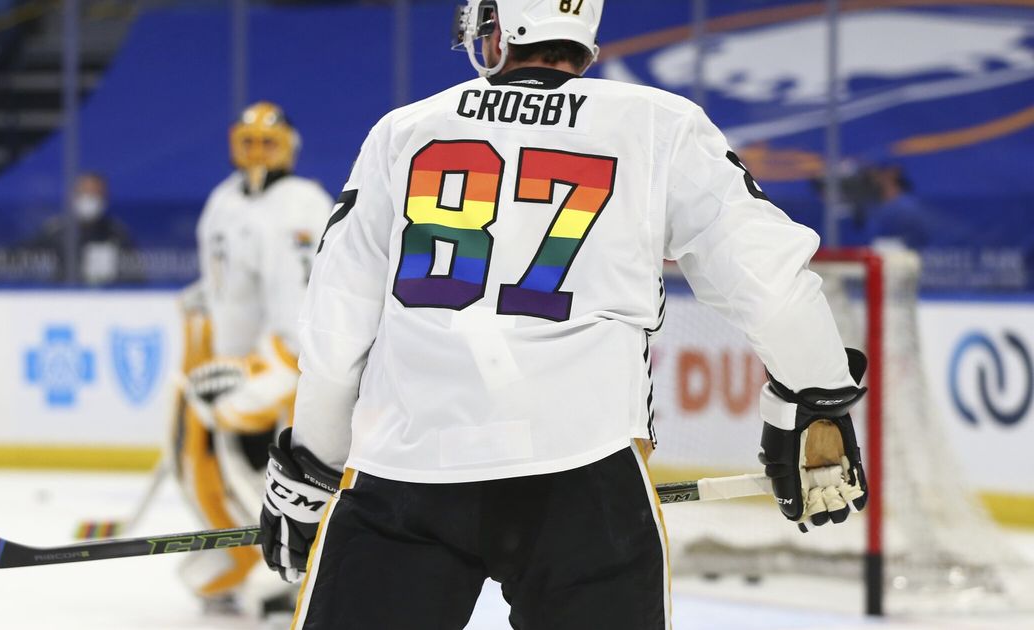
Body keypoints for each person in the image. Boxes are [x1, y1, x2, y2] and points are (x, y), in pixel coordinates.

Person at [259, 1, 869, 628]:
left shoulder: (405, 130)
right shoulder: (656, 123)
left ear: (504, 25)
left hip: (405, 475)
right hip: (584, 478)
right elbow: (770, 281)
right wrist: (813, 397)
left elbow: (336, 329)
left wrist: (312, 468)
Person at [172, 101, 332, 617]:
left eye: (269, 142)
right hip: (232, 363)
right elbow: (225, 288)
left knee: (276, 464)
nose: (258, 153)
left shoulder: (303, 203)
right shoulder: (223, 201)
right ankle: (237, 562)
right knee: (198, 460)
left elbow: (301, 312)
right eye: (249, 141)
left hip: (287, 365)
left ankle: (293, 571)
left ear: (290, 147)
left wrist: (261, 370)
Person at [27, 172, 137, 284]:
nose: (89, 199)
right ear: (73, 196)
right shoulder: (55, 231)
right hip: (60, 297)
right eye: (84, 193)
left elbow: (135, 276)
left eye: (95, 194)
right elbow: (21, 261)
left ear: (105, 198)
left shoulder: (116, 234)